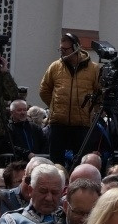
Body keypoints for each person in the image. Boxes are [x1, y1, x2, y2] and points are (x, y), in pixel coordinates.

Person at [39, 32, 101, 167]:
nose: (62, 52)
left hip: (82, 124)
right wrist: (56, 106)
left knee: (81, 163)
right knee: (56, 163)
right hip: (58, 123)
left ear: (76, 48)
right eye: (60, 49)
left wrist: (91, 110)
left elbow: (99, 93)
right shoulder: (55, 66)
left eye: (65, 49)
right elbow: (44, 90)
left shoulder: (93, 69)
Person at [0, 163, 65, 224]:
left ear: (62, 193)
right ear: (30, 190)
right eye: (43, 191)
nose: (49, 198)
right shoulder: (12, 222)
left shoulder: (68, 220)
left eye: (55, 192)